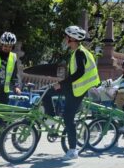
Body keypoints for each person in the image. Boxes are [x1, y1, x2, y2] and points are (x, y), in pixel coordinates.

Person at [42, 25, 100, 160]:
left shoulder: (80, 53)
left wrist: (61, 84)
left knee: (68, 117)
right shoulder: (75, 52)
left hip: (79, 90)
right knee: (47, 93)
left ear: (71, 39)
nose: (64, 39)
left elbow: (80, 72)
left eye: (66, 36)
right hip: (73, 87)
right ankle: (51, 117)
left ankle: (73, 150)